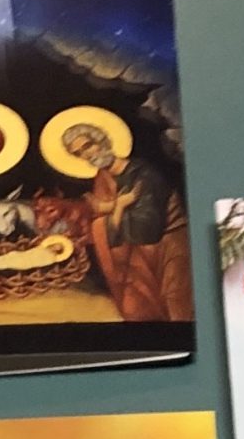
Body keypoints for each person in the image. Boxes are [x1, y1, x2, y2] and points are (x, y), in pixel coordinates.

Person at [64, 122, 193, 323]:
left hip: (168, 251)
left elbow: (147, 230)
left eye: (88, 146)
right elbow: (104, 222)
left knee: (178, 310)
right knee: (135, 311)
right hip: (135, 260)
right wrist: (116, 207)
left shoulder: (144, 174)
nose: (87, 155)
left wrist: (112, 210)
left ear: (103, 141)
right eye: (78, 153)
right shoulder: (103, 178)